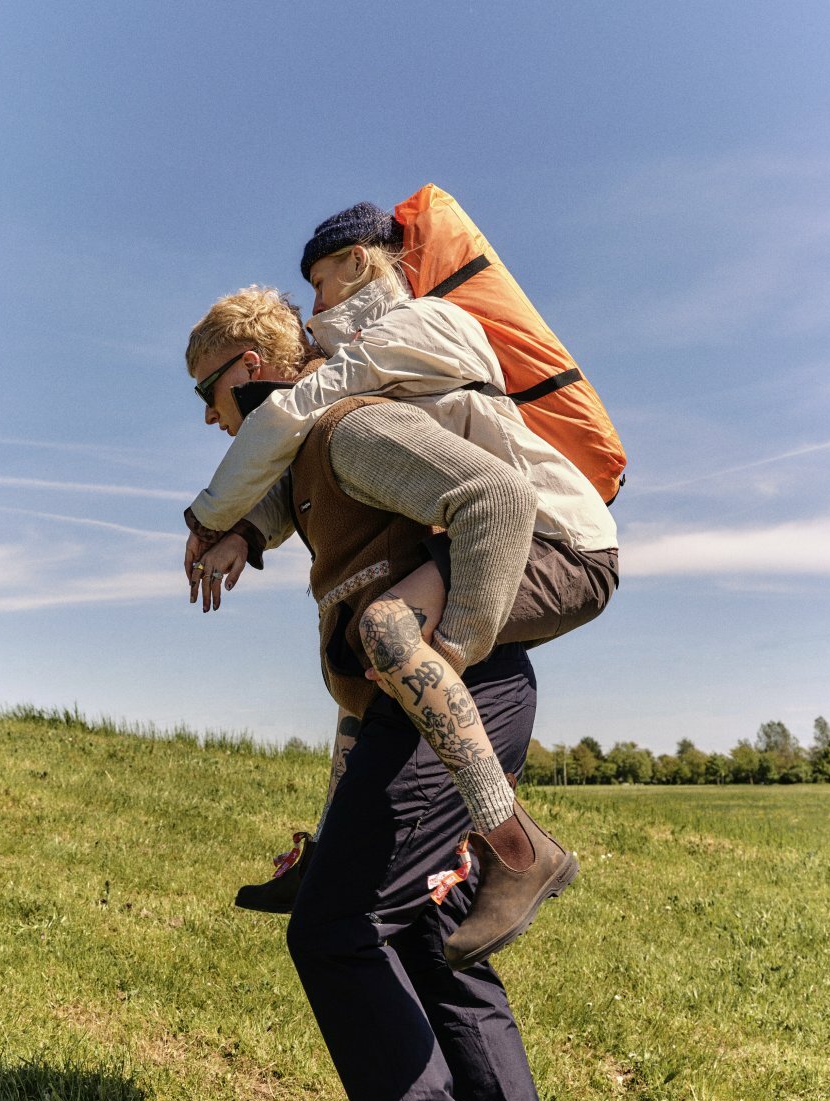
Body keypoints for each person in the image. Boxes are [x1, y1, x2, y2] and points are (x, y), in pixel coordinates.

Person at [181, 287, 582, 1101]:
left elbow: (496, 497)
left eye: (205, 389)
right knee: (426, 940)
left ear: (251, 368)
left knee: (336, 927)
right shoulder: (315, 464)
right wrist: (249, 531)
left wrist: (446, 658)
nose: (203, 415)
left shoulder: (350, 428)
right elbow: (288, 489)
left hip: (458, 690)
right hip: (446, 702)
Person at [187, 204, 618, 968]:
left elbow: (302, 415)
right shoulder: (364, 352)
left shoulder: (422, 326)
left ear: (358, 264)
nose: (313, 307)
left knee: (391, 636)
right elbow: (311, 453)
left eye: (319, 285)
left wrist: (208, 514)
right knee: (366, 666)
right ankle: (334, 851)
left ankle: (516, 848)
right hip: (499, 532)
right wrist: (247, 532)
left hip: (553, 537)